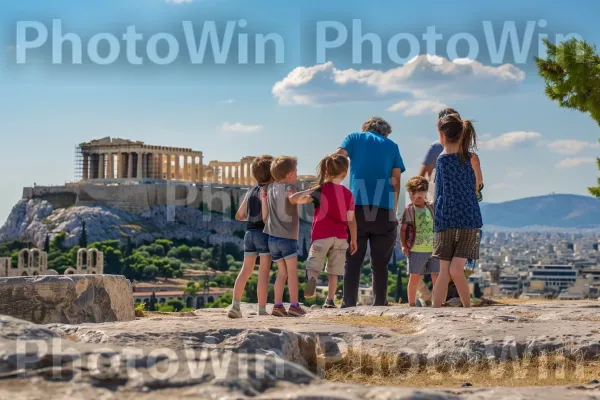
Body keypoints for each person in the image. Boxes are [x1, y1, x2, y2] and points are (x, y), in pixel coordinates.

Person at [336, 117, 406, 307]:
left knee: (353, 260)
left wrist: (336, 183)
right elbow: (396, 180)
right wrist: (394, 208)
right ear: (385, 132)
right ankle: (380, 303)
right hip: (384, 208)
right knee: (380, 263)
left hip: (356, 206)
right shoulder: (392, 146)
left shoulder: (353, 138)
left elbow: (338, 157)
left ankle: (348, 303)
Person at [289, 153, 358, 309]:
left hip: (321, 236)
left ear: (326, 171)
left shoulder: (321, 190)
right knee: (334, 271)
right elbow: (351, 220)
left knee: (313, 265)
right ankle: (330, 300)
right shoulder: (348, 194)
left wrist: (310, 190)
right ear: (344, 173)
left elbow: (294, 200)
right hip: (341, 237)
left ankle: (312, 279)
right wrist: (354, 239)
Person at [431, 113, 483, 308]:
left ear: (442, 136)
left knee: (445, 269)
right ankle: (467, 307)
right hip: (469, 218)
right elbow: (477, 188)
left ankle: (436, 309)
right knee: (456, 269)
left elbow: (439, 192)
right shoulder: (471, 158)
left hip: (446, 219)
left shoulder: (442, 160)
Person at [228, 155, 273, 319]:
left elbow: (239, 215)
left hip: (249, 233)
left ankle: (235, 306)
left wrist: (251, 218)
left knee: (245, 270)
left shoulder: (250, 190)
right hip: (263, 233)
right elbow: (266, 217)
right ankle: (261, 310)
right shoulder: (268, 191)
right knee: (263, 272)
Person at [262, 156, 305, 317]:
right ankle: (294, 305)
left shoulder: (271, 187)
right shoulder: (290, 187)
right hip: (287, 237)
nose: (297, 174)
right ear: (289, 174)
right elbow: (294, 199)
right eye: (295, 171)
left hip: (272, 238)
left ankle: (277, 305)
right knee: (292, 273)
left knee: (282, 273)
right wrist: (310, 193)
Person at [399, 176, 439, 307]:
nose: (418, 195)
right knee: (414, 278)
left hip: (433, 249)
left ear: (426, 192)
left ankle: (436, 302)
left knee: (436, 277)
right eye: (414, 192)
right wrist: (404, 245)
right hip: (416, 249)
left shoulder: (431, 208)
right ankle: (411, 303)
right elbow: (403, 230)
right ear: (410, 194)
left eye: (421, 191)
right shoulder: (409, 210)